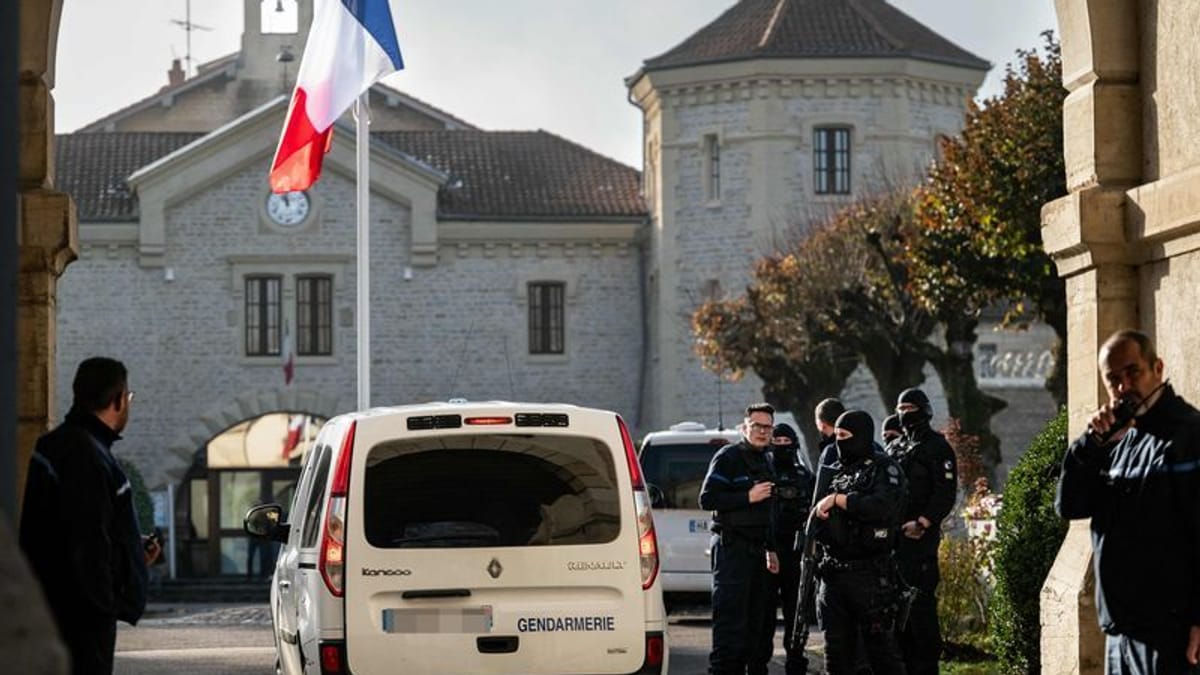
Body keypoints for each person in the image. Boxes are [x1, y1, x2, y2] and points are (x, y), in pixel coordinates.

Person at [1057, 329, 1200, 674]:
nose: (1124, 386)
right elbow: (1070, 506)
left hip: (1170, 634)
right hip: (1120, 633)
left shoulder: (1190, 436)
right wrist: (1088, 447)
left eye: (1132, 372)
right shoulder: (1119, 443)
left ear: (1158, 368)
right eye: (1113, 379)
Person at [19, 357, 161, 675]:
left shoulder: (56, 447)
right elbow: (87, 540)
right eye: (129, 399)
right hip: (81, 622)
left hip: (57, 611)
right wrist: (104, 607)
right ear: (117, 400)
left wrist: (130, 552)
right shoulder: (89, 457)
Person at [812, 410, 908, 674]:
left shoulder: (884, 468)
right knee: (836, 654)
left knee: (881, 655)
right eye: (837, 436)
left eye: (845, 436)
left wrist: (840, 500)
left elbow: (881, 507)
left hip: (870, 577)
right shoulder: (838, 473)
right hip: (833, 575)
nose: (839, 442)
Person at [699, 402, 780, 675]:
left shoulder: (767, 459)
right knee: (730, 633)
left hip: (757, 554)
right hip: (732, 549)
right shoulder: (728, 457)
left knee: (755, 632)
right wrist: (747, 496)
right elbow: (707, 498)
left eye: (767, 427)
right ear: (745, 427)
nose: (762, 432)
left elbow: (767, 511)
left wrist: (771, 548)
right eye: (757, 426)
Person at [889, 388, 957, 675]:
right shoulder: (897, 447)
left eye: (910, 407)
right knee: (895, 615)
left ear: (924, 410)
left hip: (920, 543)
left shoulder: (937, 447)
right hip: (892, 544)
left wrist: (924, 522)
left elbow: (945, 492)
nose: (905, 413)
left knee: (920, 610)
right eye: (900, 408)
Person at [758, 423, 815, 675]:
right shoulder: (761, 474)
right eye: (777, 441)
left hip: (795, 553)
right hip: (767, 553)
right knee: (763, 613)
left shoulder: (805, 477)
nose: (781, 446)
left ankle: (796, 660)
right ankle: (758, 662)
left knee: (796, 612)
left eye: (786, 442)